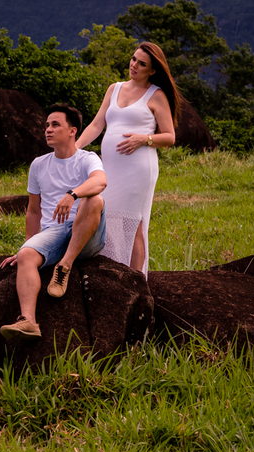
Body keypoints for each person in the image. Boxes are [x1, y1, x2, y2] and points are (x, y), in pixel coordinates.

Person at [0, 104, 108, 341]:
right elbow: (34, 212)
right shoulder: (39, 164)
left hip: (87, 233)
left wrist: (72, 194)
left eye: (55, 124)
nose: (48, 129)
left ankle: (64, 266)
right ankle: (28, 321)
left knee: (94, 199)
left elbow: (100, 181)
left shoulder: (87, 158)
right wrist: (28, 246)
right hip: (55, 233)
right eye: (47, 125)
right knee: (27, 255)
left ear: (73, 131)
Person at [75, 41, 182, 276]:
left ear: (152, 70)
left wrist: (144, 139)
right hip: (110, 168)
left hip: (138, 170)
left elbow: (170, 137)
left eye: (142, 63)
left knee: (133, 224)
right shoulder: (114, 88)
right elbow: (96, 124)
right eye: (134, 59)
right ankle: (114, 273)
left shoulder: (157, 95)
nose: (134, 65)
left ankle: (137, 281)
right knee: (108, 217)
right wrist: (74, 148)